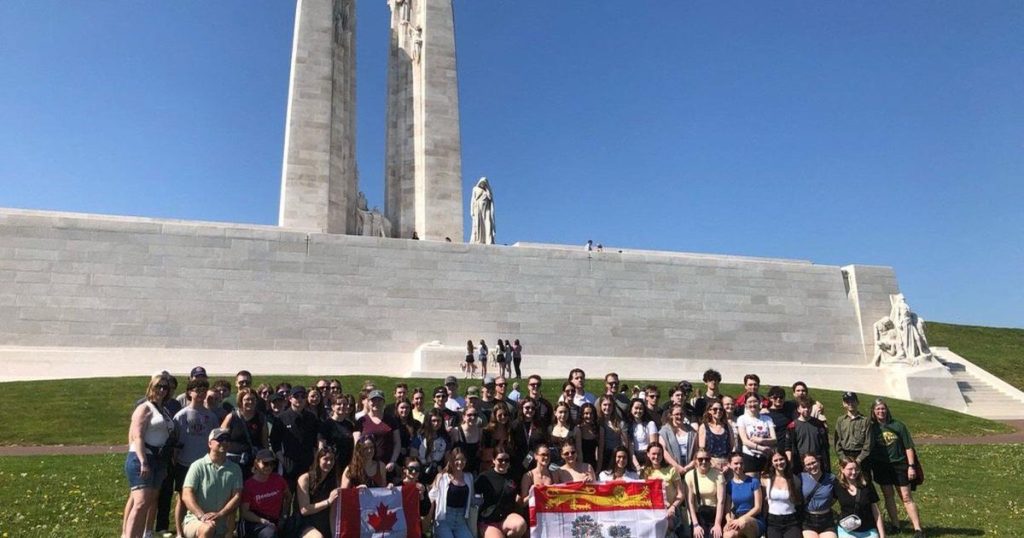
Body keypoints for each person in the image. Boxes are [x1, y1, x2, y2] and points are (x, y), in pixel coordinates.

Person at [123, 374, 175, 538]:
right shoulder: (144, 408)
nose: (161, 390)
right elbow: (137, 436)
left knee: (147, 504)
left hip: (159, 460)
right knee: (139, 503)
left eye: (165, 387)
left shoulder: (164, 410)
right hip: (143, 457)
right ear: (151, 387)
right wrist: (143, 462)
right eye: (158, 386)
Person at [172, 378, 220, 536]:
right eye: (197, 390)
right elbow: (176, 442)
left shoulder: (211, 416)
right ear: (189, 393)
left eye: (204, 391)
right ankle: (180, 532)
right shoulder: (181, 416)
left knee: (201, 497)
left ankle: (201, 526)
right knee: (183, 498)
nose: (201, 394)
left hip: (204, 464)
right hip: (185, 463)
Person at [870, 399, 924, 537]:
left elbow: (908, 447)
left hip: (899, 465)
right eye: (877, 409)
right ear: (873, 412)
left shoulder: (898, 426)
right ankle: (895, 525)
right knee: (888, 496)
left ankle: (917, 528)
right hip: (882, 466)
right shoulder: (871, 428)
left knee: (906, 497)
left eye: (883, 408)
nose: (880, 411)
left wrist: (911, 466)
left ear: (887, 410)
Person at [180, 428, 243, 538]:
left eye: (227, 439)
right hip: (196, 521)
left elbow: (237, 497)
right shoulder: (197, 466)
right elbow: (186, 495)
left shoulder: (235, 468)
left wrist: (221, 514)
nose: (225, 442)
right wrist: (202, 516)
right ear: (210, 443)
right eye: (220, 439)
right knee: (207, 528)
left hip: (223, 524)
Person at [270, 386, 319, 491]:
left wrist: (314, 463)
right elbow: (275, 443)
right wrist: (283, 461)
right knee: (286, 499)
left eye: (303, 396)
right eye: (296, 396)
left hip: (307, 464)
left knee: (305, 498)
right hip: (289, 466)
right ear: (290, 398)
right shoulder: (281, 418)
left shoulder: (312, 418)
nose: (300, 399)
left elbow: (315, 442)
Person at [475, 449, 527, 538]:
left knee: (521, 525)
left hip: (506, 518)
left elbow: (518, 497)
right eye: (500, 460)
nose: (503, 463)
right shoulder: (484, 477)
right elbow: (474, 496)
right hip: (489, 520)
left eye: (506, 460)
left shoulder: (513, 476)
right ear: (494, 460)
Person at [353, 389, 402, 482]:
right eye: (373, 400)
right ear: (368, 402)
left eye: (379, 400)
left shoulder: (391, 420)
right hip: (366, 467)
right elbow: (357, 444)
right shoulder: (361, 421)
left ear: (384, 402)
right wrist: (360, 463)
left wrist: (393, 461)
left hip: (387, 466)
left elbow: (397, 443)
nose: (376, 403)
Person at [239, 449, 290, 538]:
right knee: (270, 533)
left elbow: (288, 497)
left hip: (276, 520)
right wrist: (262, 521)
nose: (269, 467)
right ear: (256, 463)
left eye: (272, 464)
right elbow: (245, 512)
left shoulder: (278, 479)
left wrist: (284, 515)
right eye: (265, 463)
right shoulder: (249, 485)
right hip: (256, 522)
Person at [221, 387, 268, 481]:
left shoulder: (261, 418)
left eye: (253, 399)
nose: (250, 402)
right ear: (240, 401)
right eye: (247, 399)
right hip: (232, 462)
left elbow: (264, 442)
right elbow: (221, 439)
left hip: (252, 463)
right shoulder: (231, 417)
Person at [640, 442, 686, 536]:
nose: (656, 457)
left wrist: (673, 507)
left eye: (659, 454)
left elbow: (681, 494)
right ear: (648, 454)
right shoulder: (645, 472)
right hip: (652, 512)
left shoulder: (671, 470)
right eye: (653, 454)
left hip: (670, 511)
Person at [429, 448, 475, 538]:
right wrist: (429, 518)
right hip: (444, 519)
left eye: (463, 459)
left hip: (461, 520)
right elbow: (432, 497)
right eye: (457, 459)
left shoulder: (469, 477)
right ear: (452, 460)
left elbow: (471, 498)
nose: (460, 462)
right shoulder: (442, 477)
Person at [835, 457, 886, 538]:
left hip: (867, 530)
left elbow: (876, 512)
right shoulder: (838, 486)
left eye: (856, 469)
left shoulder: (866, 485)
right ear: (842, 469)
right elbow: (828, 503)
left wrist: (882, 535)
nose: (854, 472)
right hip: (846, 530)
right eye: (850, 469)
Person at [296, 447, 341, 538]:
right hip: (304, 522)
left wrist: (334, 534)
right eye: (325, 459)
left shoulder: (334, 481)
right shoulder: (305, 479)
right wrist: (328, 501)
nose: (329, 462)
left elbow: (333, 513)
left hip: (324, 521)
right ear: (318, 460)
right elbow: (304, 510)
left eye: (332, 459)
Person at [723, 452, 765, 538]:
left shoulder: (754, 482)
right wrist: (729, 520)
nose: (739, 466)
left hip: (754, 519)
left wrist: (742, 519)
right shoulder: (729, 485)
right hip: (738, 519)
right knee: (727, 535)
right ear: (730, 465)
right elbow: (727, 510)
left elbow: (758, 508)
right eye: (736, 463)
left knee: (744, 522)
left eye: (741, 463)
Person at [685, 448, 725, 538]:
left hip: (715, 514)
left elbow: (721, 501)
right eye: (700, 459)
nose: (704, 462)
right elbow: (690, 502)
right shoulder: (690, 475)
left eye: (707, 459)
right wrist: (695, 525)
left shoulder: (718, 475)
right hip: (699, 515)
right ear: (695, 461)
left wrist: (717, 524)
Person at [834, 392, 874, 481]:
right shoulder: (840, 420)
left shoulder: (865, 421)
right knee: (846, 482)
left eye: (853, 401)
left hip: (861, 456)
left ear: (857, 402)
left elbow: (869, 443)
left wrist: (859, 460)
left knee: (864, 482)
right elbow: (837, 442)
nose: (850, 404)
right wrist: (843, 458)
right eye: (847, 402)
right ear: (844, 404)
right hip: (846, 455)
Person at [762, 452, 802, 538]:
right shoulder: (766, 479)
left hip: (791, 520)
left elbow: (799, 501)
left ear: (786, 460)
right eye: (775, 460)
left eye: (781, 459)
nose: (779, 462)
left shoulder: (794, 479)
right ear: (772, 463)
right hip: (772, 521)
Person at [736, 394, 776, 477]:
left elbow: (774, 439)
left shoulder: (767, 419)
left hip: (766, 456)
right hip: (750, 456)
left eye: (755, 401)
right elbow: (745, 441)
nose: (752, 404)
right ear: (745, 404)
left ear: (760, 403)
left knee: (767, 484)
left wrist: (760, 440)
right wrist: (761, 447)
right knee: (752, 484)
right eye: (749, 402)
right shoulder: (742, 419)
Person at [800, 453, 839, 538]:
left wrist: (825, 504)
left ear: (819, 462)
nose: (812, 466)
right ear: (805, 467)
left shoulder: (831, 478)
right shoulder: (801, 478)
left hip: (826, 519)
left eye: (814, 462)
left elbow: (836, 497)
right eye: (808, 464)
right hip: (808, 519)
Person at [789, 396, 830, 474]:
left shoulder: (819, 424)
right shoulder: (792, 426)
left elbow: (825, 446)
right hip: (800, 465)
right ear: (798, 409)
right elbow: (790, 447)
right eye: (803, 407)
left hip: (818, 463)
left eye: (809, 407)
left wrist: (826, 465)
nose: (807, 409)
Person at [319, 394, 356, 475]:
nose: (342, 406)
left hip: (347, 464)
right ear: (332, 406)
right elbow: (321, 447)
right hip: (331, 465)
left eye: (345, 404)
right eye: (339, 404)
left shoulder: (350, 425)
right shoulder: (326, 425)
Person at [659, 403, 697, 477]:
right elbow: (663, 450)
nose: (679, 416)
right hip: (671, 470)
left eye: (681, 414)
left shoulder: (691, 431)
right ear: (671, 415)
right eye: (676, 414)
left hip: (689, 470)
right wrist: (676, 466)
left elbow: (697, 451)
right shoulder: (664, 431)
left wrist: (689, 467)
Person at [698, 399, 734, 472]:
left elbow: (731, 447)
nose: (718, 411)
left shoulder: (728, 427)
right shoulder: (704, 427)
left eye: (721, 409)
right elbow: (702, 449)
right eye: (715, 409)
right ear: (709, 411)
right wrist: (713, 464)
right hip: (710, 464)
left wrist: (728, 465)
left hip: (726, 465)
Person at [420, 408, 453, 486]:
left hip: (439, 471)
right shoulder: (420, 436)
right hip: (421, 472)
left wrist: (443, 473)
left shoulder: (445, 437)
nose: (436, 423)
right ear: (428, 421)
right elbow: (413, 455)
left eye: (439, 421)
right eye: (433, 421)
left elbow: (447, 458)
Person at [597, 394, 628, 472]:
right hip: (603, 456)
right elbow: (600, 448)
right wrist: (598, 468)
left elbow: (625, 444)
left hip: (617, 456)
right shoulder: (597, 422)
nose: (607, 407)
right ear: (600, 406)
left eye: (610, 405)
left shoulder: (620, 423)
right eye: (605, 405)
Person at [627, 397, 659, 469]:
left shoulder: (650, 424)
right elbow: (631, 450)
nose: (638, 411)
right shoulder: (629, 426)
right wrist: (637, 466)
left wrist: (646, 465)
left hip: (648, 458)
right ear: (631, 409)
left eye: (641, 408)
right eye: (636, 408)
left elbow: (653, 446)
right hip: (633, 459)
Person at [547, 401, 580, 468]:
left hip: (570, 465)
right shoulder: (550, 429)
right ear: (555, 413)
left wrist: (580, 467)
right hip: (553, 466)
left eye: (565, 412)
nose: (563, 415)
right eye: (560, 412)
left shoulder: (575, 430)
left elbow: (579, 452)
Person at [470, 177, 496, 244]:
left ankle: (488, 240)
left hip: (486, 210)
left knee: (487, 223)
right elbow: (472, 200)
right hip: (478, 208)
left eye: (484, 183)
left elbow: (490, 198)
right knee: (478, 224)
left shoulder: (487, 191)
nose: (483, 184)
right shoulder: (475, 189)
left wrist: (487, 190)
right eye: (482, 183)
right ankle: (478, 240)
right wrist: (472, 210)